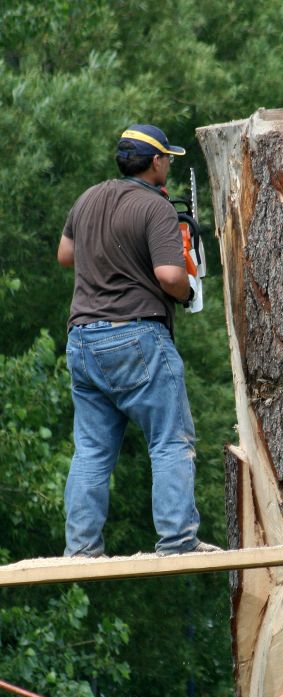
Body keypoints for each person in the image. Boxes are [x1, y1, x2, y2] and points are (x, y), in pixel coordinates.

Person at [57, 123, 220, 557]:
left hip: (83, 341)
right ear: (154, 162)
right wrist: (188, 290)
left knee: (91, 451)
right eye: (167, 157)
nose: (167, 164)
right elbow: (169, 276)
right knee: (169, 440)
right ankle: (178, 541)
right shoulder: (156, 208)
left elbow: (65, 255)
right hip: (137, 337)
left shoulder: (88, 198)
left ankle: (81, 551)